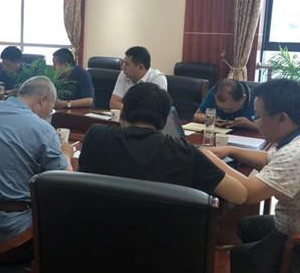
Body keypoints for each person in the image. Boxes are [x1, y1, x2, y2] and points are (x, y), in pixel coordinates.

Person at [202, 79, 300, 273]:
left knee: (226, 265)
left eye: (259, 116)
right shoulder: (294, 140)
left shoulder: (295, 154)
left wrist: (210, 158)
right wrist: (231, 151)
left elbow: (247, 194)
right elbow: (268, 158)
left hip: (294, 240)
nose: (256, 121)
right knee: (245, 226)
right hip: (288, 223)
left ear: (282, 118)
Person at [79, 83, 247, 204]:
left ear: (123, 112)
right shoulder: (184, 152)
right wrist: (207, 156)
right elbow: (239, 195)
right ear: (165, 120)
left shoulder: (96, 136)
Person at [0, 76, 74, 248]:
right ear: (42, 100)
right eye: (51, 109)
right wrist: (67, 154)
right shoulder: (43, 129)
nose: (50, 114)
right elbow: (64, 181)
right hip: (15, 229)